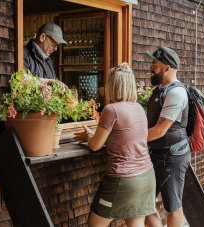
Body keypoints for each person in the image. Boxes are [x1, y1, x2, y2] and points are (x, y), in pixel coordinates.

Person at [74, 63, 158, 227]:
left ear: (112, 85)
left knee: (95, 224)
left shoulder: (111, 110)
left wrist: (88, 136)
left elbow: (95, 145)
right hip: (146, 177)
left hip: (123, 180)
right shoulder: (139, 108)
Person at [144, 46, 189, 227]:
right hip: (156, 153)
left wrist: (130, 139)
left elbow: (160, 130)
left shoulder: (176, 93)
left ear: (167, 67)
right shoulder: (160, 90)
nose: (150, 67)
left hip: (172, 156)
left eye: (154, 63)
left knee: (173, 206)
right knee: (143, 202)